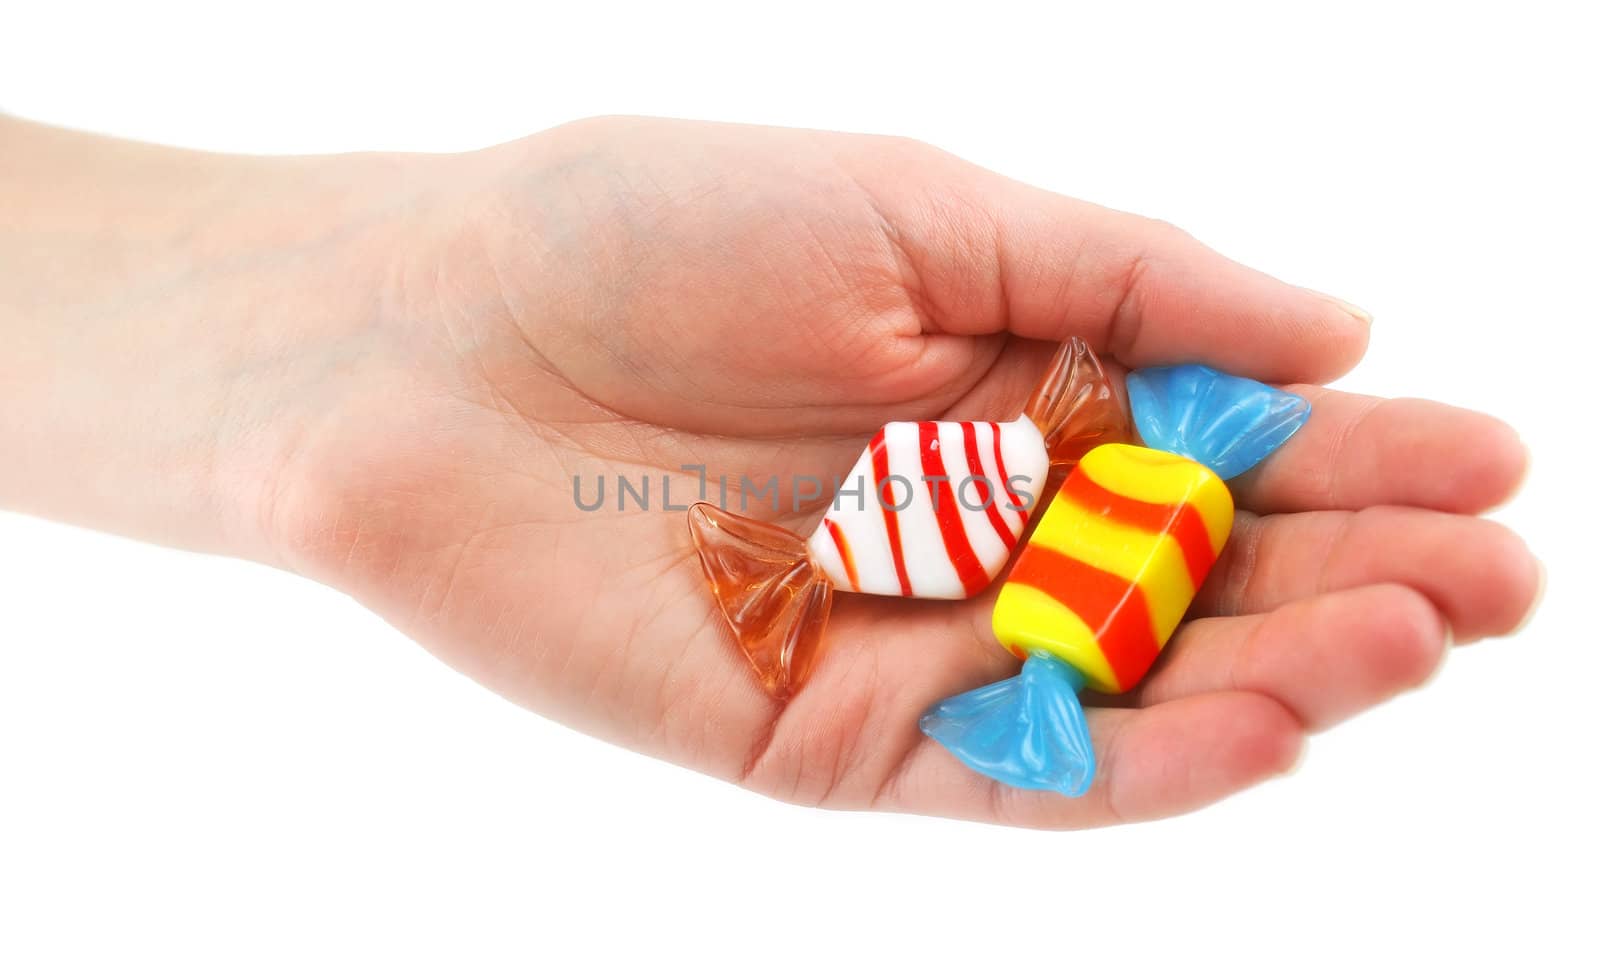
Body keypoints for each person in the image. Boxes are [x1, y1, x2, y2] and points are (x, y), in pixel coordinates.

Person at [0, 114, 1540, 827]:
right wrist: (413, 305)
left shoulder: (1052, 480)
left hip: (998, 548)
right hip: (979, 542)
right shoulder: (1040, 469)